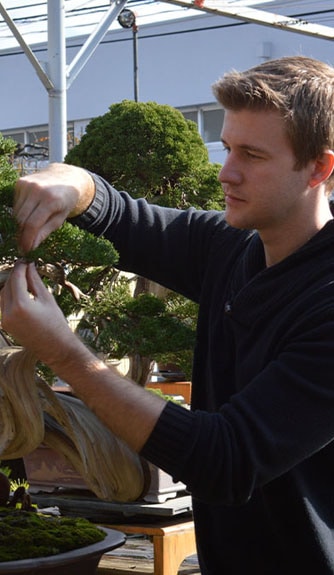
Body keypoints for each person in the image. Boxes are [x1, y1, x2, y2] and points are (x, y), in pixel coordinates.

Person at [1, 55, 334, 574]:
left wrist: (61, 351)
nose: (226, 171)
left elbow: (225, 460)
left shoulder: (325, 300)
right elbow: (121, 216)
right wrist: (70, 183)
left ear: (320, 167)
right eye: (227, 148)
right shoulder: (231, 246)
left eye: (252, 154)